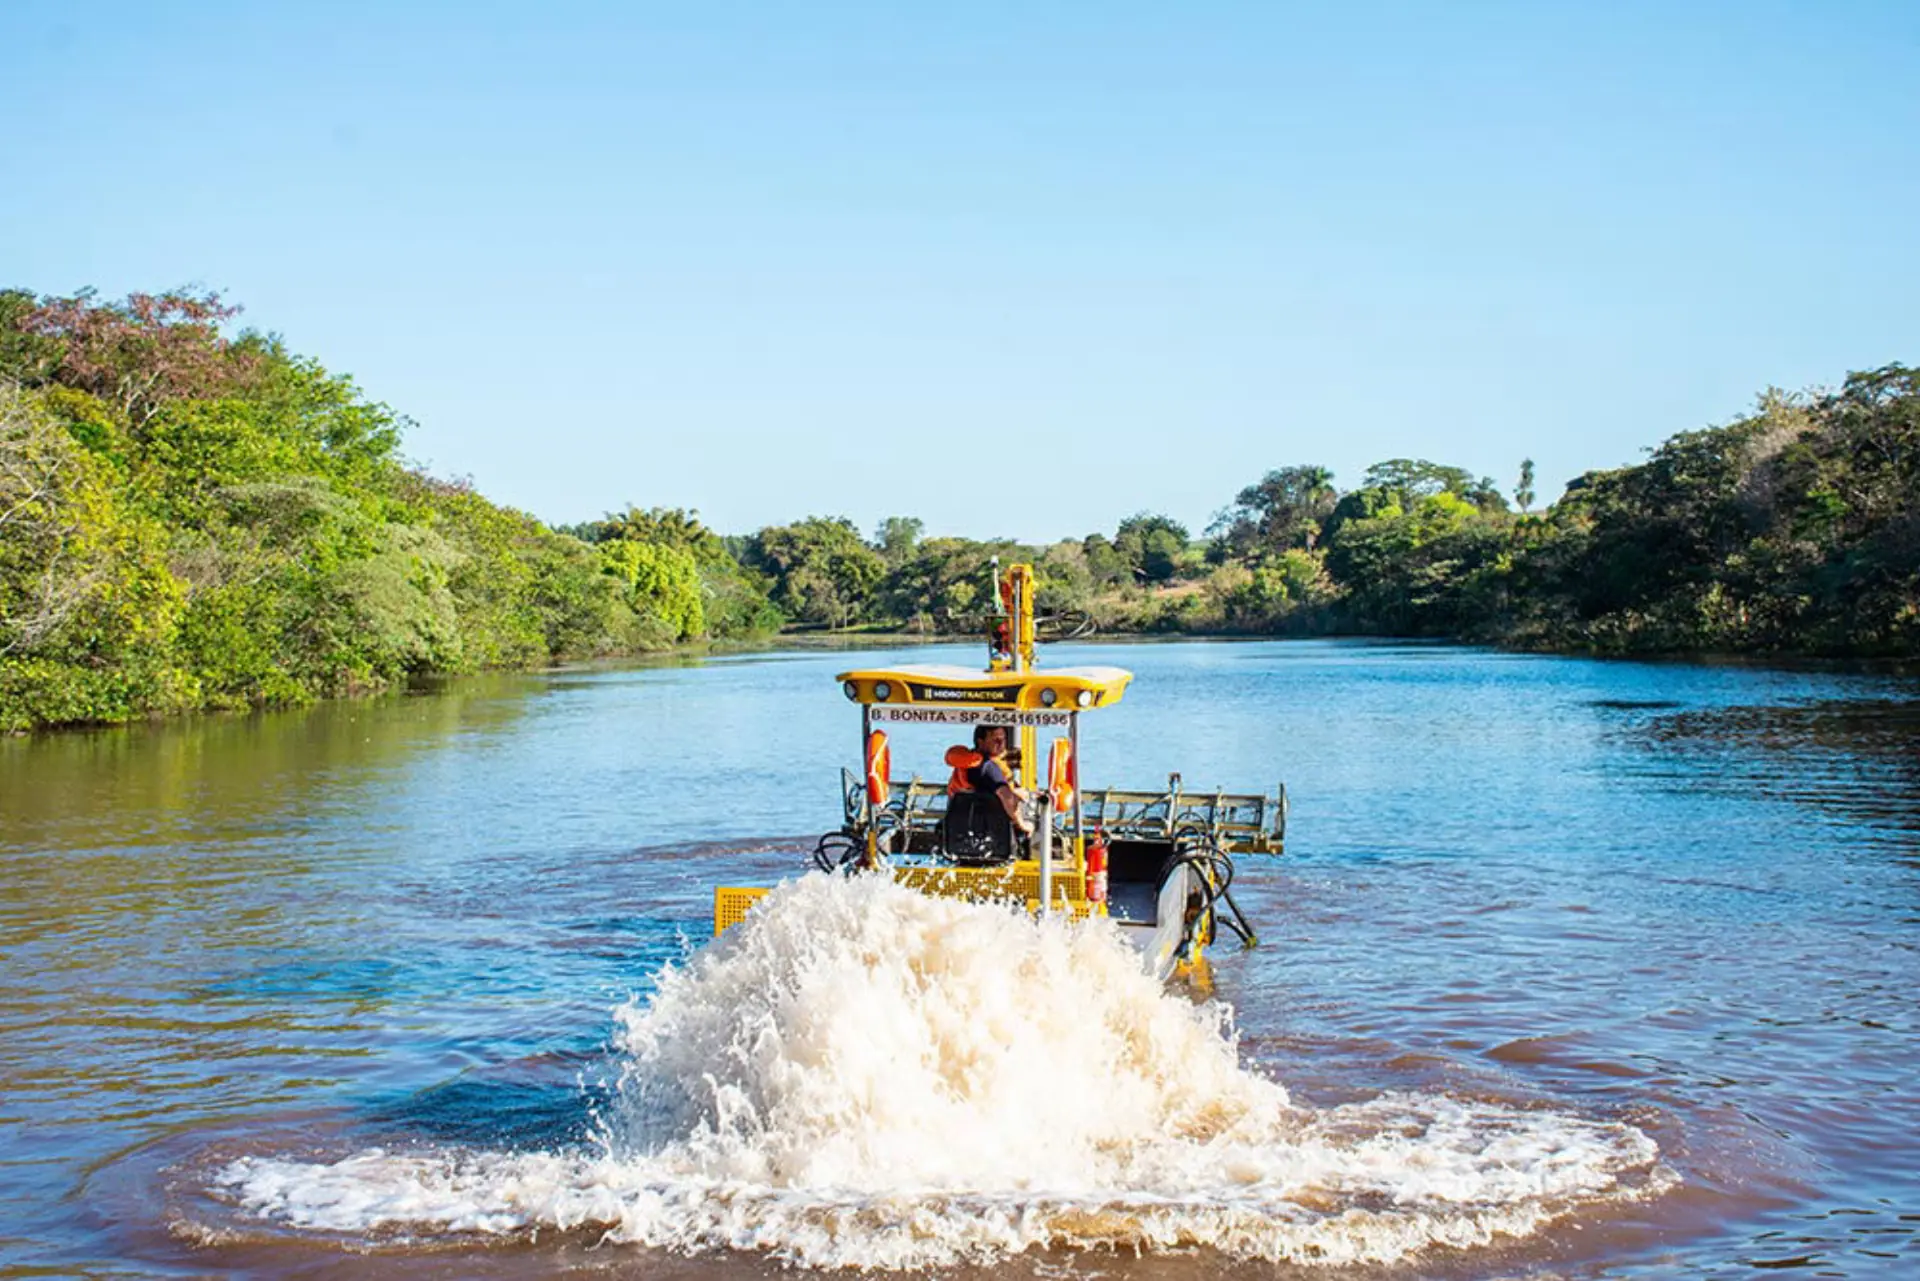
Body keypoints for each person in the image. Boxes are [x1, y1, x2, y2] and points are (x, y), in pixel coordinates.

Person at [964, 724, 1033, 838]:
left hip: (969, 829)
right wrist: (1022, 824)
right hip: (993, 833)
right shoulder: (989, 767)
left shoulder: (969, 766)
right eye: (996, 740)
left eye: (1003, 739)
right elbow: (1006, 796)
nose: (1001, 744)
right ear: (981, 742)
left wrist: (1016, 791)